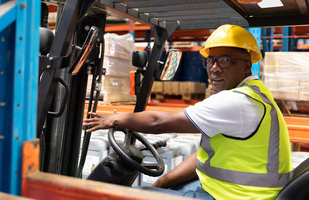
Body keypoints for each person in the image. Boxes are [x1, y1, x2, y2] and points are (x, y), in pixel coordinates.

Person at [83, 24, 292, 200]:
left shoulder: (237, 102)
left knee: (119, 197)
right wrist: (161, 184)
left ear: (247, 67)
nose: (215, 68)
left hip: (232, 197)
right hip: (224, 191)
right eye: (210, 61)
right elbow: (204, 158)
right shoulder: (253, 95)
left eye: (225, 60)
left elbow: (158, 121)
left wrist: (116, 119)